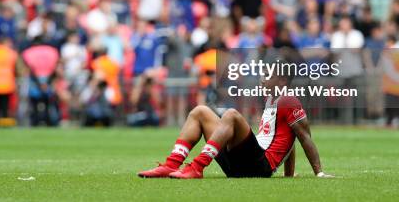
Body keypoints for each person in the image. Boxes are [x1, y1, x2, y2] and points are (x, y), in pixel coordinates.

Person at [138, 53, 332, 179]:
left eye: (268, 74)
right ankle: (171, 165)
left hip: (259, 166)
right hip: (244, 165)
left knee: (231, 114)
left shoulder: (288, 100)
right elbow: (288, 138)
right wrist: (288, 176)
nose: (262, 77)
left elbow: (304, 136)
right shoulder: (271, 98)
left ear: (281, 80)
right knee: (200, 111)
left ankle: (197, 167)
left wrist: (319, 173)